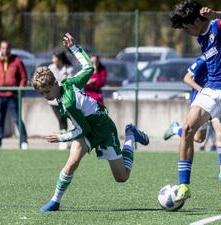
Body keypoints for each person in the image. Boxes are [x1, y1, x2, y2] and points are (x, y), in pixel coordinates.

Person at [32, 33, 149, 212]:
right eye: (43, 94)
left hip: (102, 127)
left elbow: (82, 128)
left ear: (55, 83)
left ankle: (131, 136)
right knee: (71, 163)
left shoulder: (69, 100)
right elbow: (88, 67)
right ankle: (55, 201)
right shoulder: (67, 84)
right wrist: (74, 48)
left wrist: (61, 137)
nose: (46, 96)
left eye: (47, 91)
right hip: (85, 130)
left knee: (122, 177)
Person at [170, 1, 221, 211]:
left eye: (187, 27)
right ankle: (184, 185)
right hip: (212, 88)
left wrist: (215, 13)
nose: (187, 32)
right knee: (188, 129)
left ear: (198, 20)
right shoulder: (200, 36)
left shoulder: (217, 25)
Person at [163, 58, 221, 181]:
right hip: (202, 102)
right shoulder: (204, 59)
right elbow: (187, 78)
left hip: (217, 101)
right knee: (198, 138)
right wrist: (202, 91)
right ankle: (176, 129)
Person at [0, 40, 29, 150]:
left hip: (13, 96)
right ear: (0, 49)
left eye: (6, 48)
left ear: (10, 49)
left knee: (17, 119)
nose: (4, 50)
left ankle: (24, 141)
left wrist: (20, 89)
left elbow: (24, 77)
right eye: (2, 48)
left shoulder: (17, 61)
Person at [48, 50, 74, 150]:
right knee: (61, 119)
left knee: (70, 119)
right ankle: (63, 141)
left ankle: (70, 138)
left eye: (54, 57)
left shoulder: (69, 69)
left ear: (60, 59)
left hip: (66, 100)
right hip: (54, 101)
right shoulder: (51, 68)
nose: (53, 60)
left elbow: (69, 83)